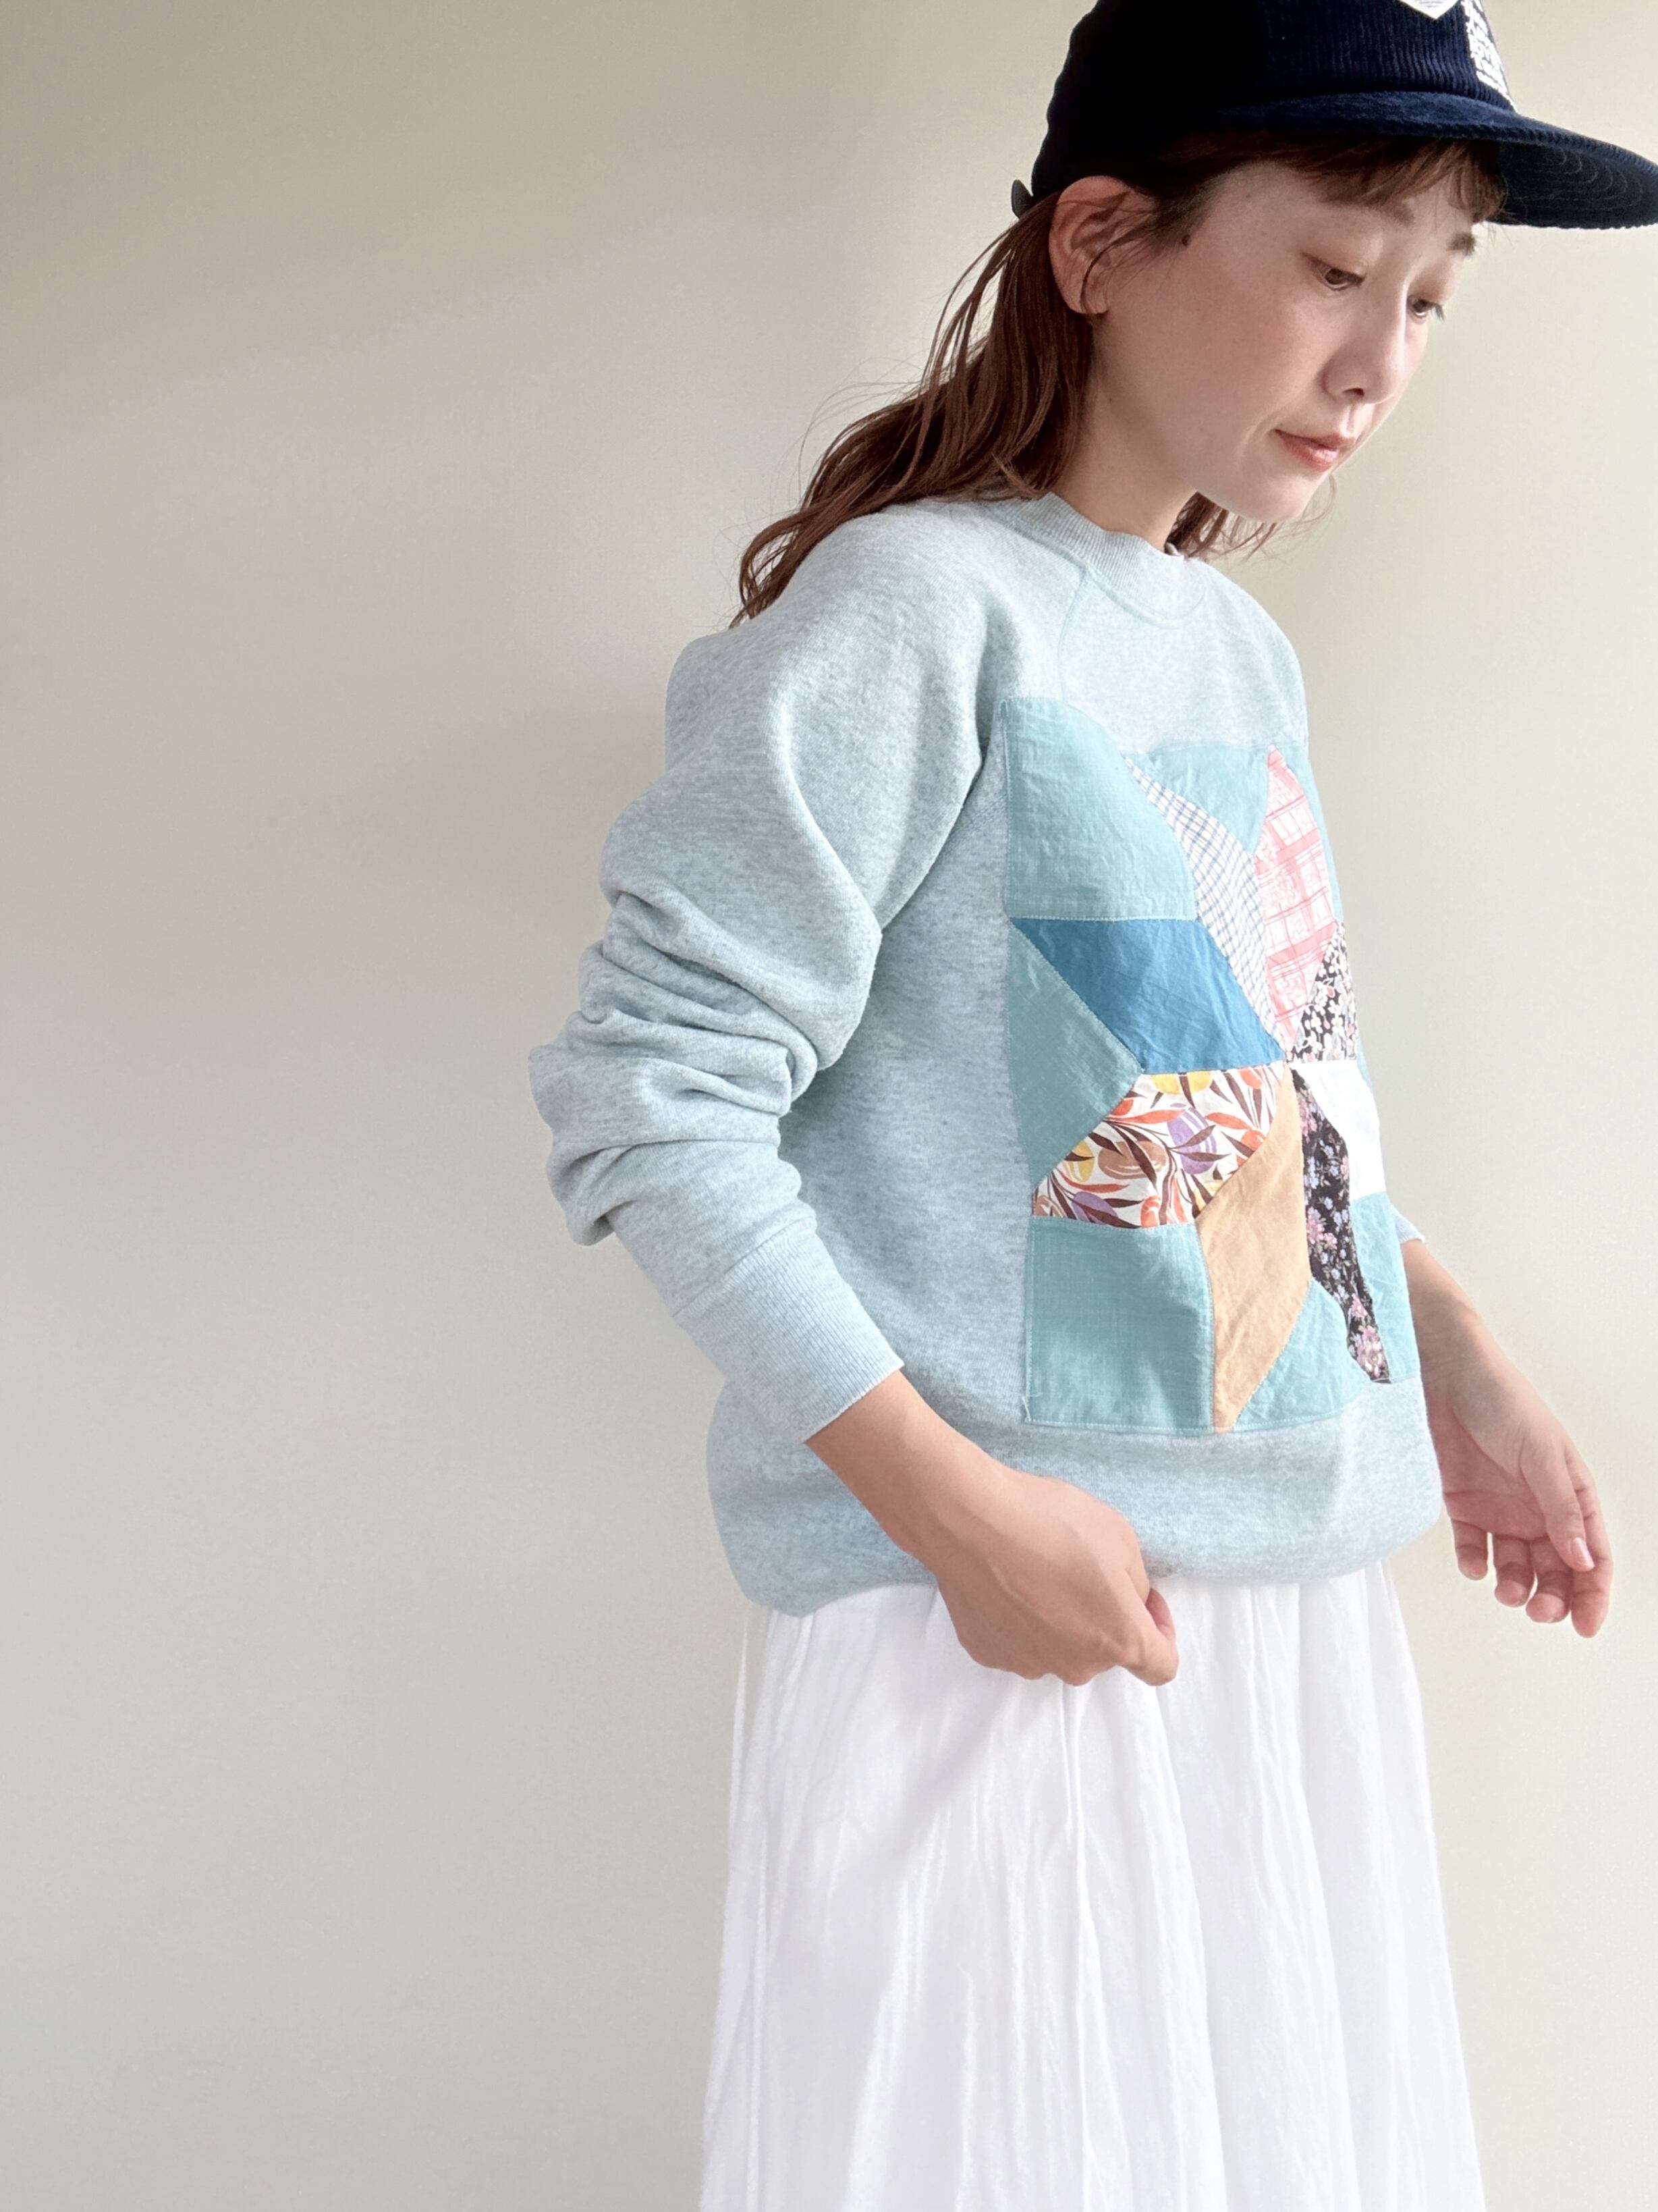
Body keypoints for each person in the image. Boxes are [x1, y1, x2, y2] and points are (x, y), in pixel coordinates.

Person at [528, 3, 1655, 2205]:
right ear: (1100, 243)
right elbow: (649, 1098)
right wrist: (963, 1521)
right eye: (1333, 267)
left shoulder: (1224, 649)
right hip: (1010, 1634)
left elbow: (1243, 1092)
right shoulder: (909, 619)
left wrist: (1447, 1349)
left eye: (1430, 298)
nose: (1380, 359)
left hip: (1288, 1628)